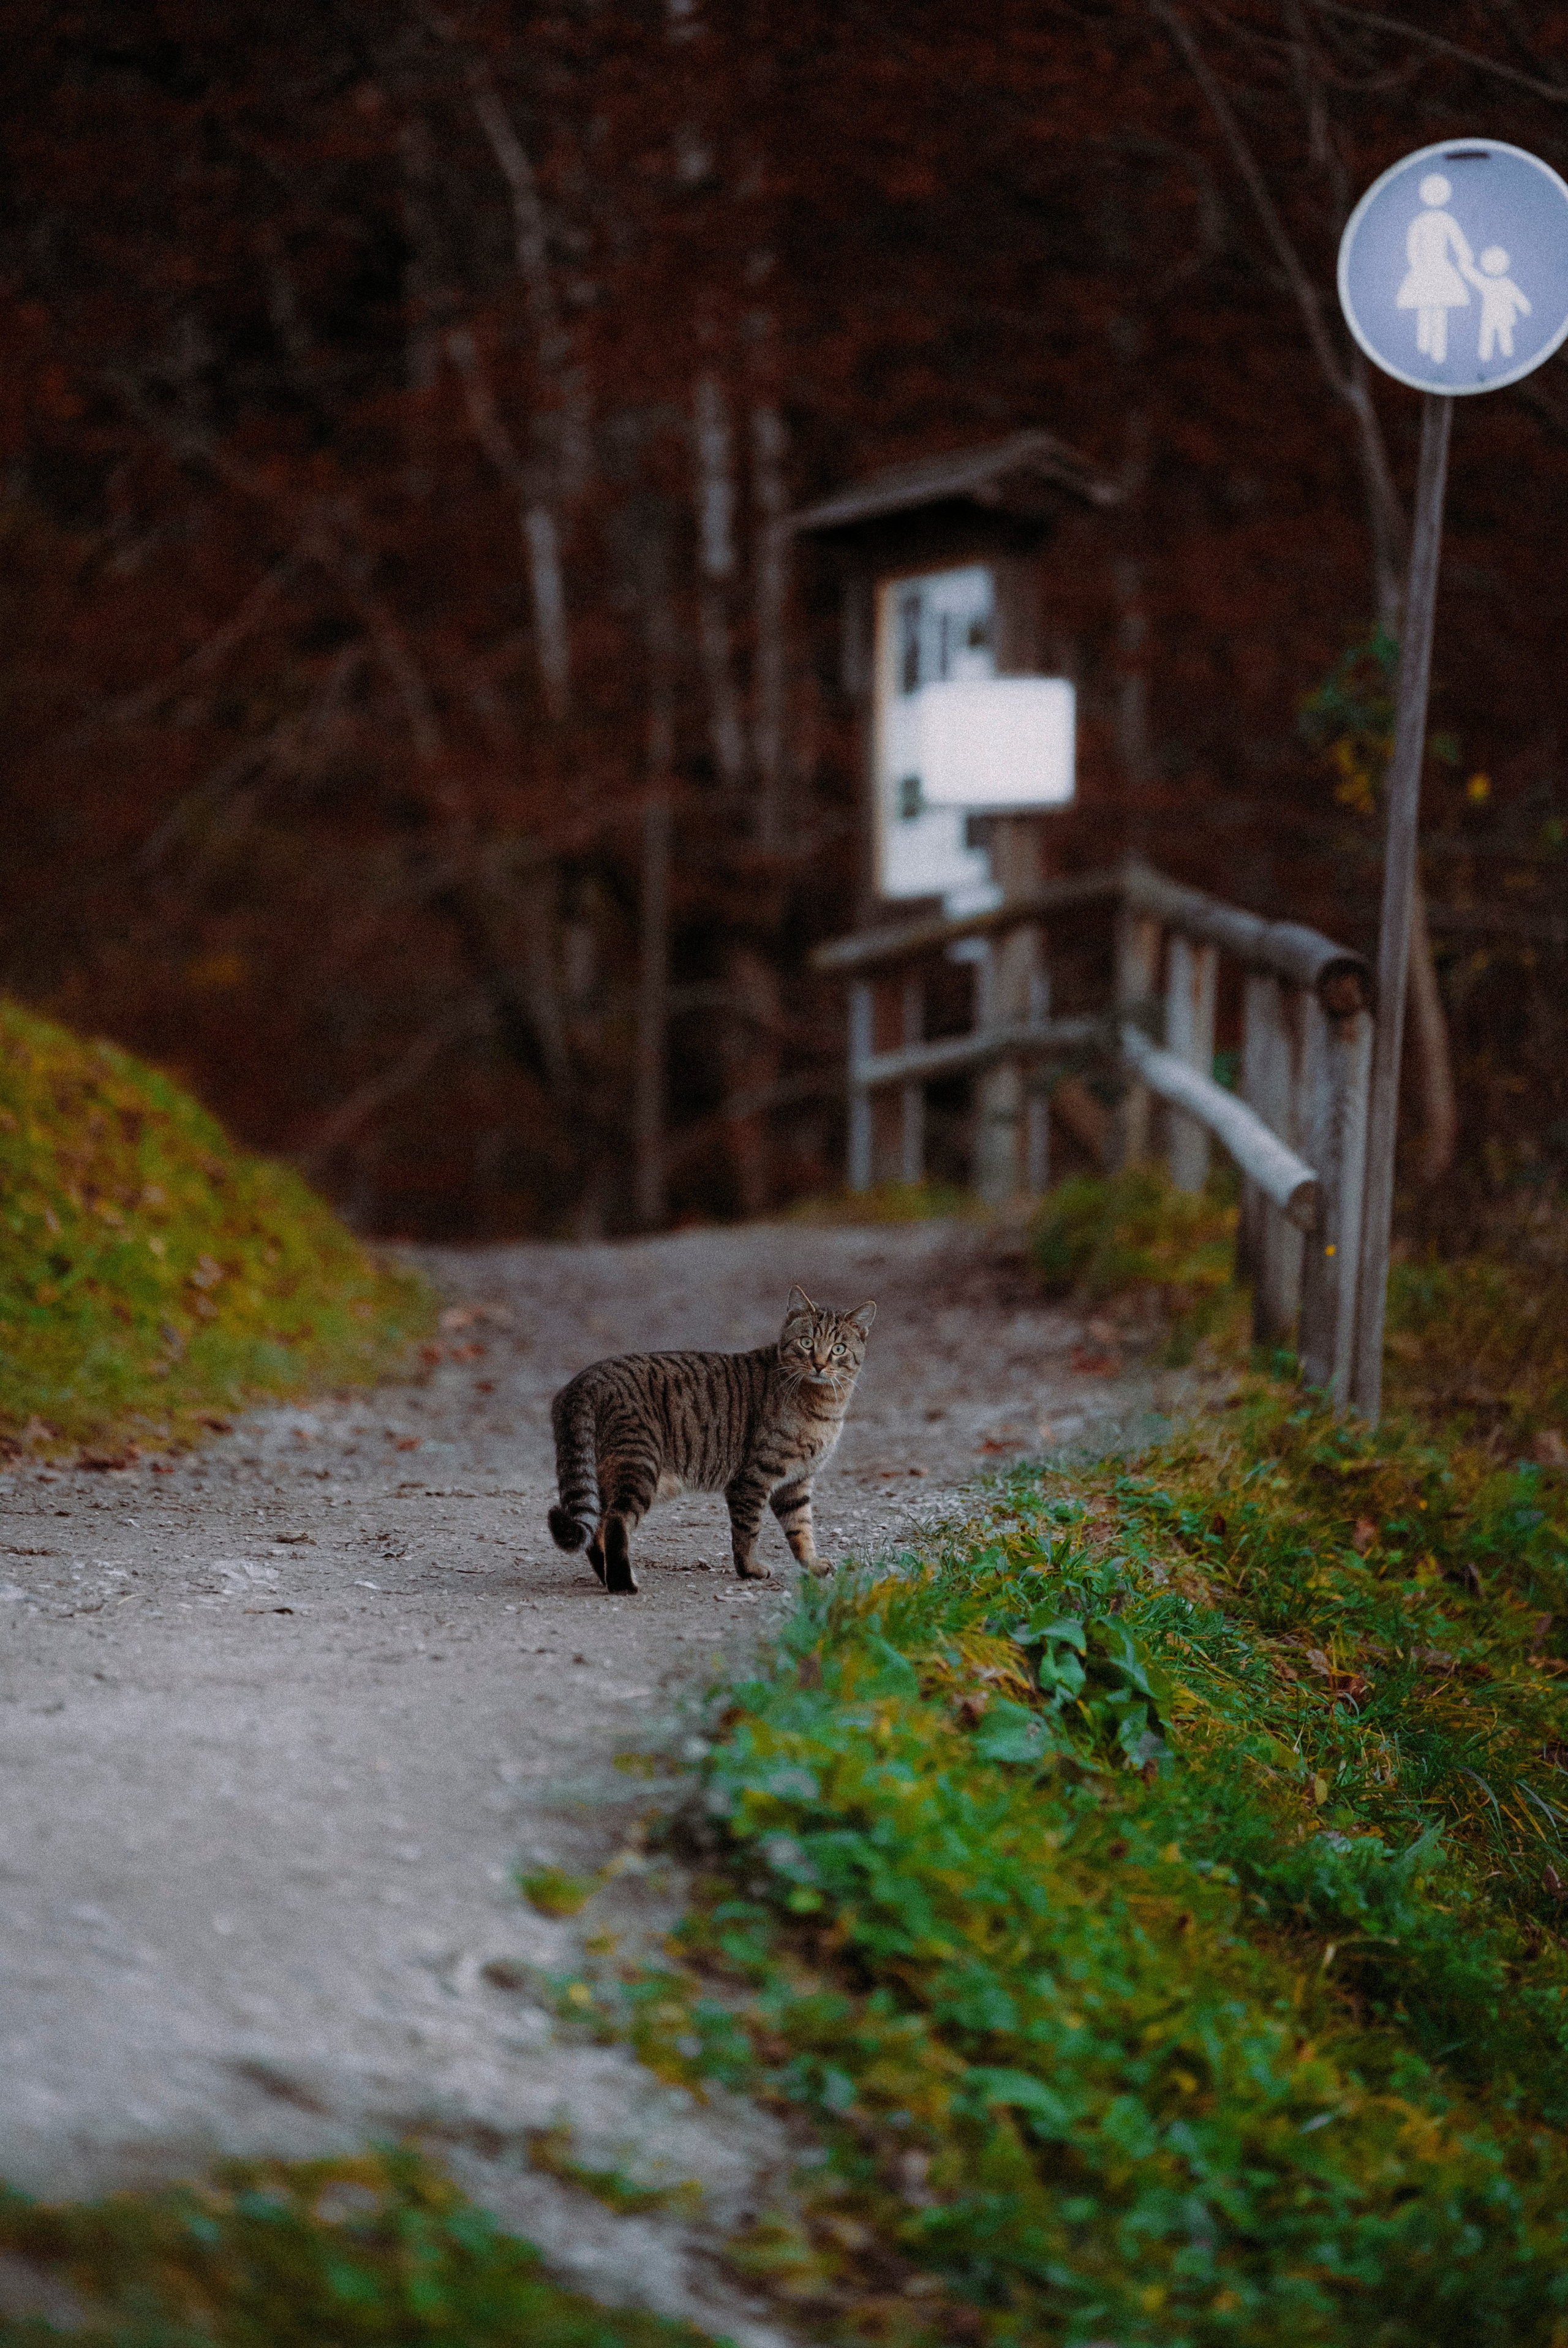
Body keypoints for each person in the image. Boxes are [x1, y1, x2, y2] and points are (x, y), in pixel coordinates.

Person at [1396, 173, 1475, 364]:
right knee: (1425, 306)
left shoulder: (1446, 220)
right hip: (1425, 268)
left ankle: (1438, 351)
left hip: (1440, 267)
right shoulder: (1420, 221)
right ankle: (1424, 348)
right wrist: (1416, 264)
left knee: (1439, 307)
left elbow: (1457, 241)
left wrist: (1466, 256)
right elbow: (1412, 245)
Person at [1475, 245, 1532, 361]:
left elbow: (1517, 297)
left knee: (1503, 335)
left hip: (1502, 316)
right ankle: (1485, 357)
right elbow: (1475, 278)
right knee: (1488, 335)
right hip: (1491, 316)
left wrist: (1525, 307)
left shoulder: (1505, 284)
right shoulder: (1488, 283)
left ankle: (1507, 356)